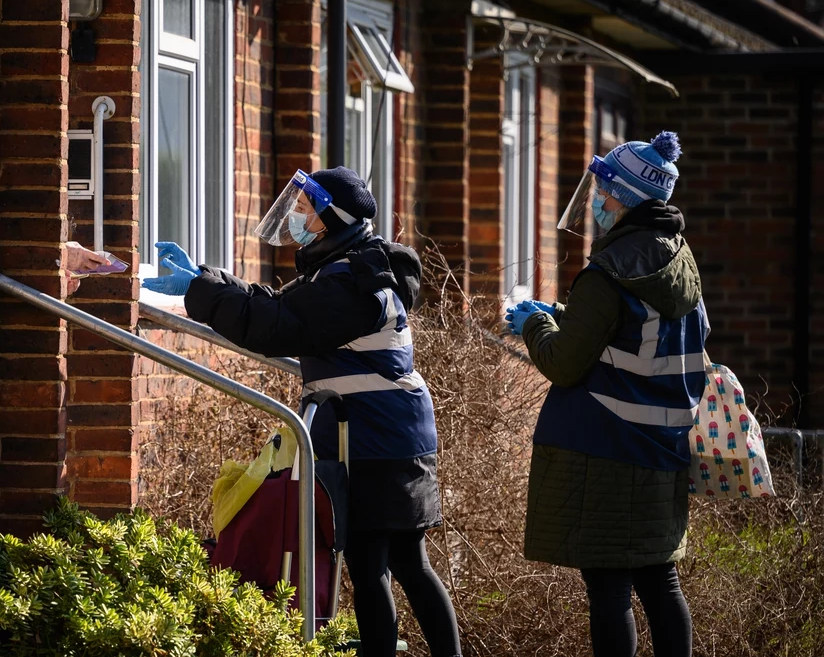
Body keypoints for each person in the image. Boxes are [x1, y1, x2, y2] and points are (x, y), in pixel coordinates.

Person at [145, 167, 462, 657]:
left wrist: (200, 294)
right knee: (398, 560)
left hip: (378, 440)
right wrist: (205, 279)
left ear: (331, 218)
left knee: (377, 560)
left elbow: (277, 326)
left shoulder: (352, 283)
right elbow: (275, 303)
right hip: (388, 435)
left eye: (306, 207)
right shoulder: (346, 267)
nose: (297, 215)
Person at [507, 131, 704, 657]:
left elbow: (564, 364)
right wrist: (564, 320)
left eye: (602, 190)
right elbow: (638, 339)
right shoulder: (679, 261)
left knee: (609, 586)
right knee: (660, 580)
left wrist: (533, 326)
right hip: (663, 450)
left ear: (624, 196)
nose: (594, 200)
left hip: (608, 453)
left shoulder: (606, 273)